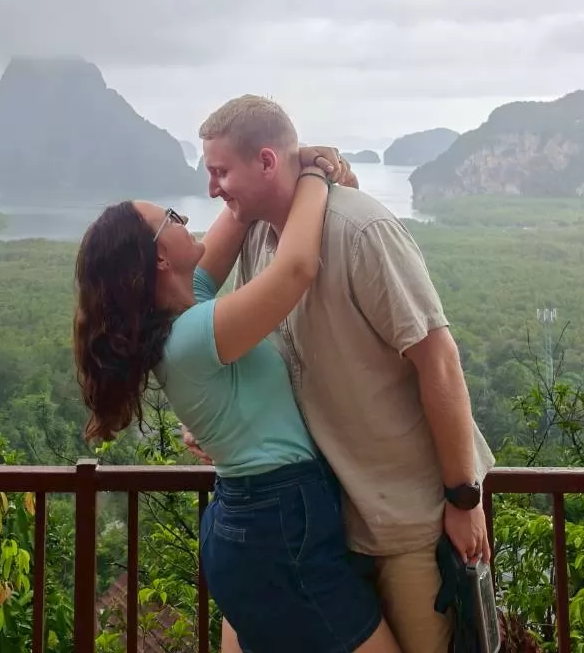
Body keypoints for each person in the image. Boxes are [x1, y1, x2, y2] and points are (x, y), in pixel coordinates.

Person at [194, 96, 495, 653]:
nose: (212, 187)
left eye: (220, 171)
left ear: (265, 162)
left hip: (410, 522)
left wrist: (463, 498)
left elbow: (439, 361)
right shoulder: (260, 240)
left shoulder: (361, 231)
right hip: (329, 525)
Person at [72, 148, 403, 653]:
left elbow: (238, 214)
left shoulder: (189, 307)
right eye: (174, 219)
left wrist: (281, 165)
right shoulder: (192, 336)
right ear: (161, 257)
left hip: (254, 522)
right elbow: (295, 269)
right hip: (277, 526)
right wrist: (313, 174)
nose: (188, 223)